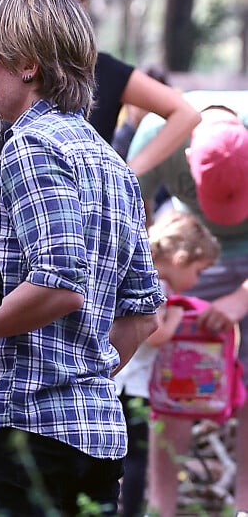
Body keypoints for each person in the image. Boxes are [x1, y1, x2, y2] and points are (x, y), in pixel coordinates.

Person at [0, 0, 164, 516]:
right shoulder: (113, 161)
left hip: (25, 434)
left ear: (27, 65)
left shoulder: (30, 147)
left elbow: (58, 284)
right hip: (96, 434)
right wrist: (85, 375)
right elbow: (143, 314)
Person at [127, 104, 248, 516]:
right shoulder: (159, 135)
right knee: (177, 380)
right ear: (189, 152)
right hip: (191, 255)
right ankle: (164, 507)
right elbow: (129, 221)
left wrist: (241, 298)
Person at [22, 0, 201, 177]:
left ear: (82, 8)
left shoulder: (104, 68)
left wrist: (126, 173)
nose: (49, 9)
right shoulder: (4, 65)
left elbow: (186, 114)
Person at [114, 210, 220, 517]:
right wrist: (174, 318)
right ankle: (131, 511)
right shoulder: (158, 286)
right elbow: (155, 332)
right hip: (130, 385)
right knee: (137, 456)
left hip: (125, 380)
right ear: (181, 257)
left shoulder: (141, 274)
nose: (197, 280)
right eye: (199, 271)